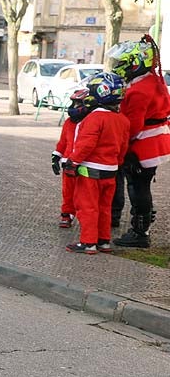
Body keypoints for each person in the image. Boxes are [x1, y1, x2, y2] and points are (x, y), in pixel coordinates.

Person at [107, 36, 170, 248]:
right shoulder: (152, 80)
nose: (119, 67)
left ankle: (140, 232)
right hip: (154, 141)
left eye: (123, 63)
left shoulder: (139, 90)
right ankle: (143, 220)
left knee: (138, 187)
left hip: (143, 144)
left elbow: (131, 126)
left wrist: (122, 148)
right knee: (141, 185)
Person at [64, 73, 130, 254]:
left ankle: (88, 242)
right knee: (104, 207)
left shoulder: (94, 118)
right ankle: (103, 241)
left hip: (90, 170)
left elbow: (86, 144)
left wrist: (73, 161)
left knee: (87, 207)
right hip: (111, 171)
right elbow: (123, 147)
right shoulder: (123, 120)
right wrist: (117, 163)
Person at [52, 89, 91, 229]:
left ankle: (85, 219)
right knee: (67, 191)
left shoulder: (90, 122)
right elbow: (63, 142)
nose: (74, 107)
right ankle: (66, 214)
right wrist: (56, 156)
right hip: (67, 163)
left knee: (84, 194)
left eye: (78, 104)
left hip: (85, 164)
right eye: (73, 103)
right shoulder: (69, 122)